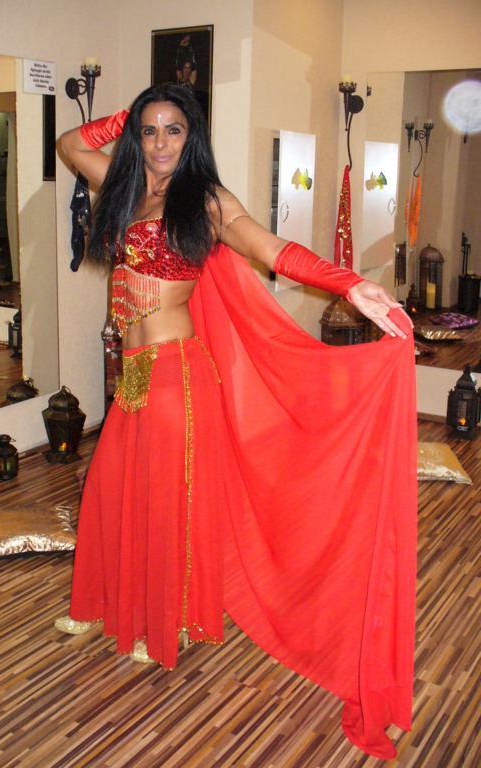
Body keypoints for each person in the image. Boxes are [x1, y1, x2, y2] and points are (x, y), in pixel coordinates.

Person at [56, 84, 416, 759]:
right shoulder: (125, 185)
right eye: (150, 131)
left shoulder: (208, 201)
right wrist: (125, 118)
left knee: (165, 498)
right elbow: (71, 144)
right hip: (133, 371)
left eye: (174, 130)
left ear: (192, 136)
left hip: (176, 373)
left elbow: (273, 249)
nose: (161, 143)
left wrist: (350, 284)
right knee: (110, 486)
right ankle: (103, 605)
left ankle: (163, 622)